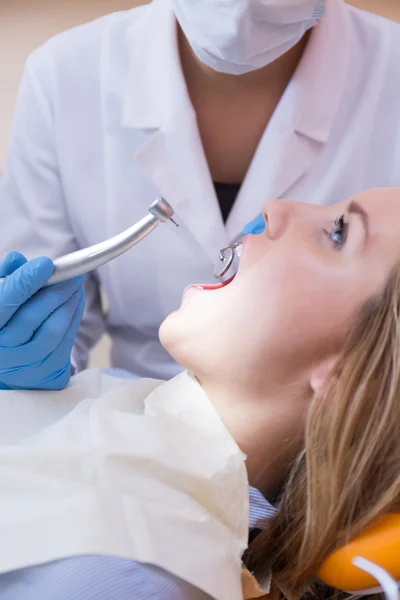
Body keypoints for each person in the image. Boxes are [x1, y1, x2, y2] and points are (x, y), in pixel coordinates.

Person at [1, 187, 400, 600]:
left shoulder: (126, 575)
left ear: (351, 375)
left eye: (338, 232)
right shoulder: (115, 399)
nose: (273, 208)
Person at [1, 0, 400, 390]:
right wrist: (27, 365)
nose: (271, 212)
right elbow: (46, 320)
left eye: (339, 231)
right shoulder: (63, 75)